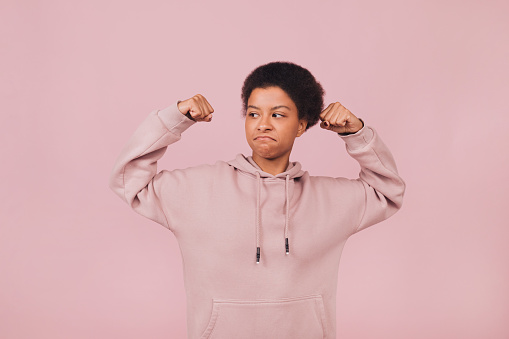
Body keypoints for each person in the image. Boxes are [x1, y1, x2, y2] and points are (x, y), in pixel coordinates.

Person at [109, 61, 405, 339]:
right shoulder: (197, 189)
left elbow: (387, 191)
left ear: (302, 125)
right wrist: (174, 118)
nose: (262, 124)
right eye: (253, 113)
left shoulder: (330, 199)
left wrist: (357, 134)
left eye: (277, 114)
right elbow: (128, 180)